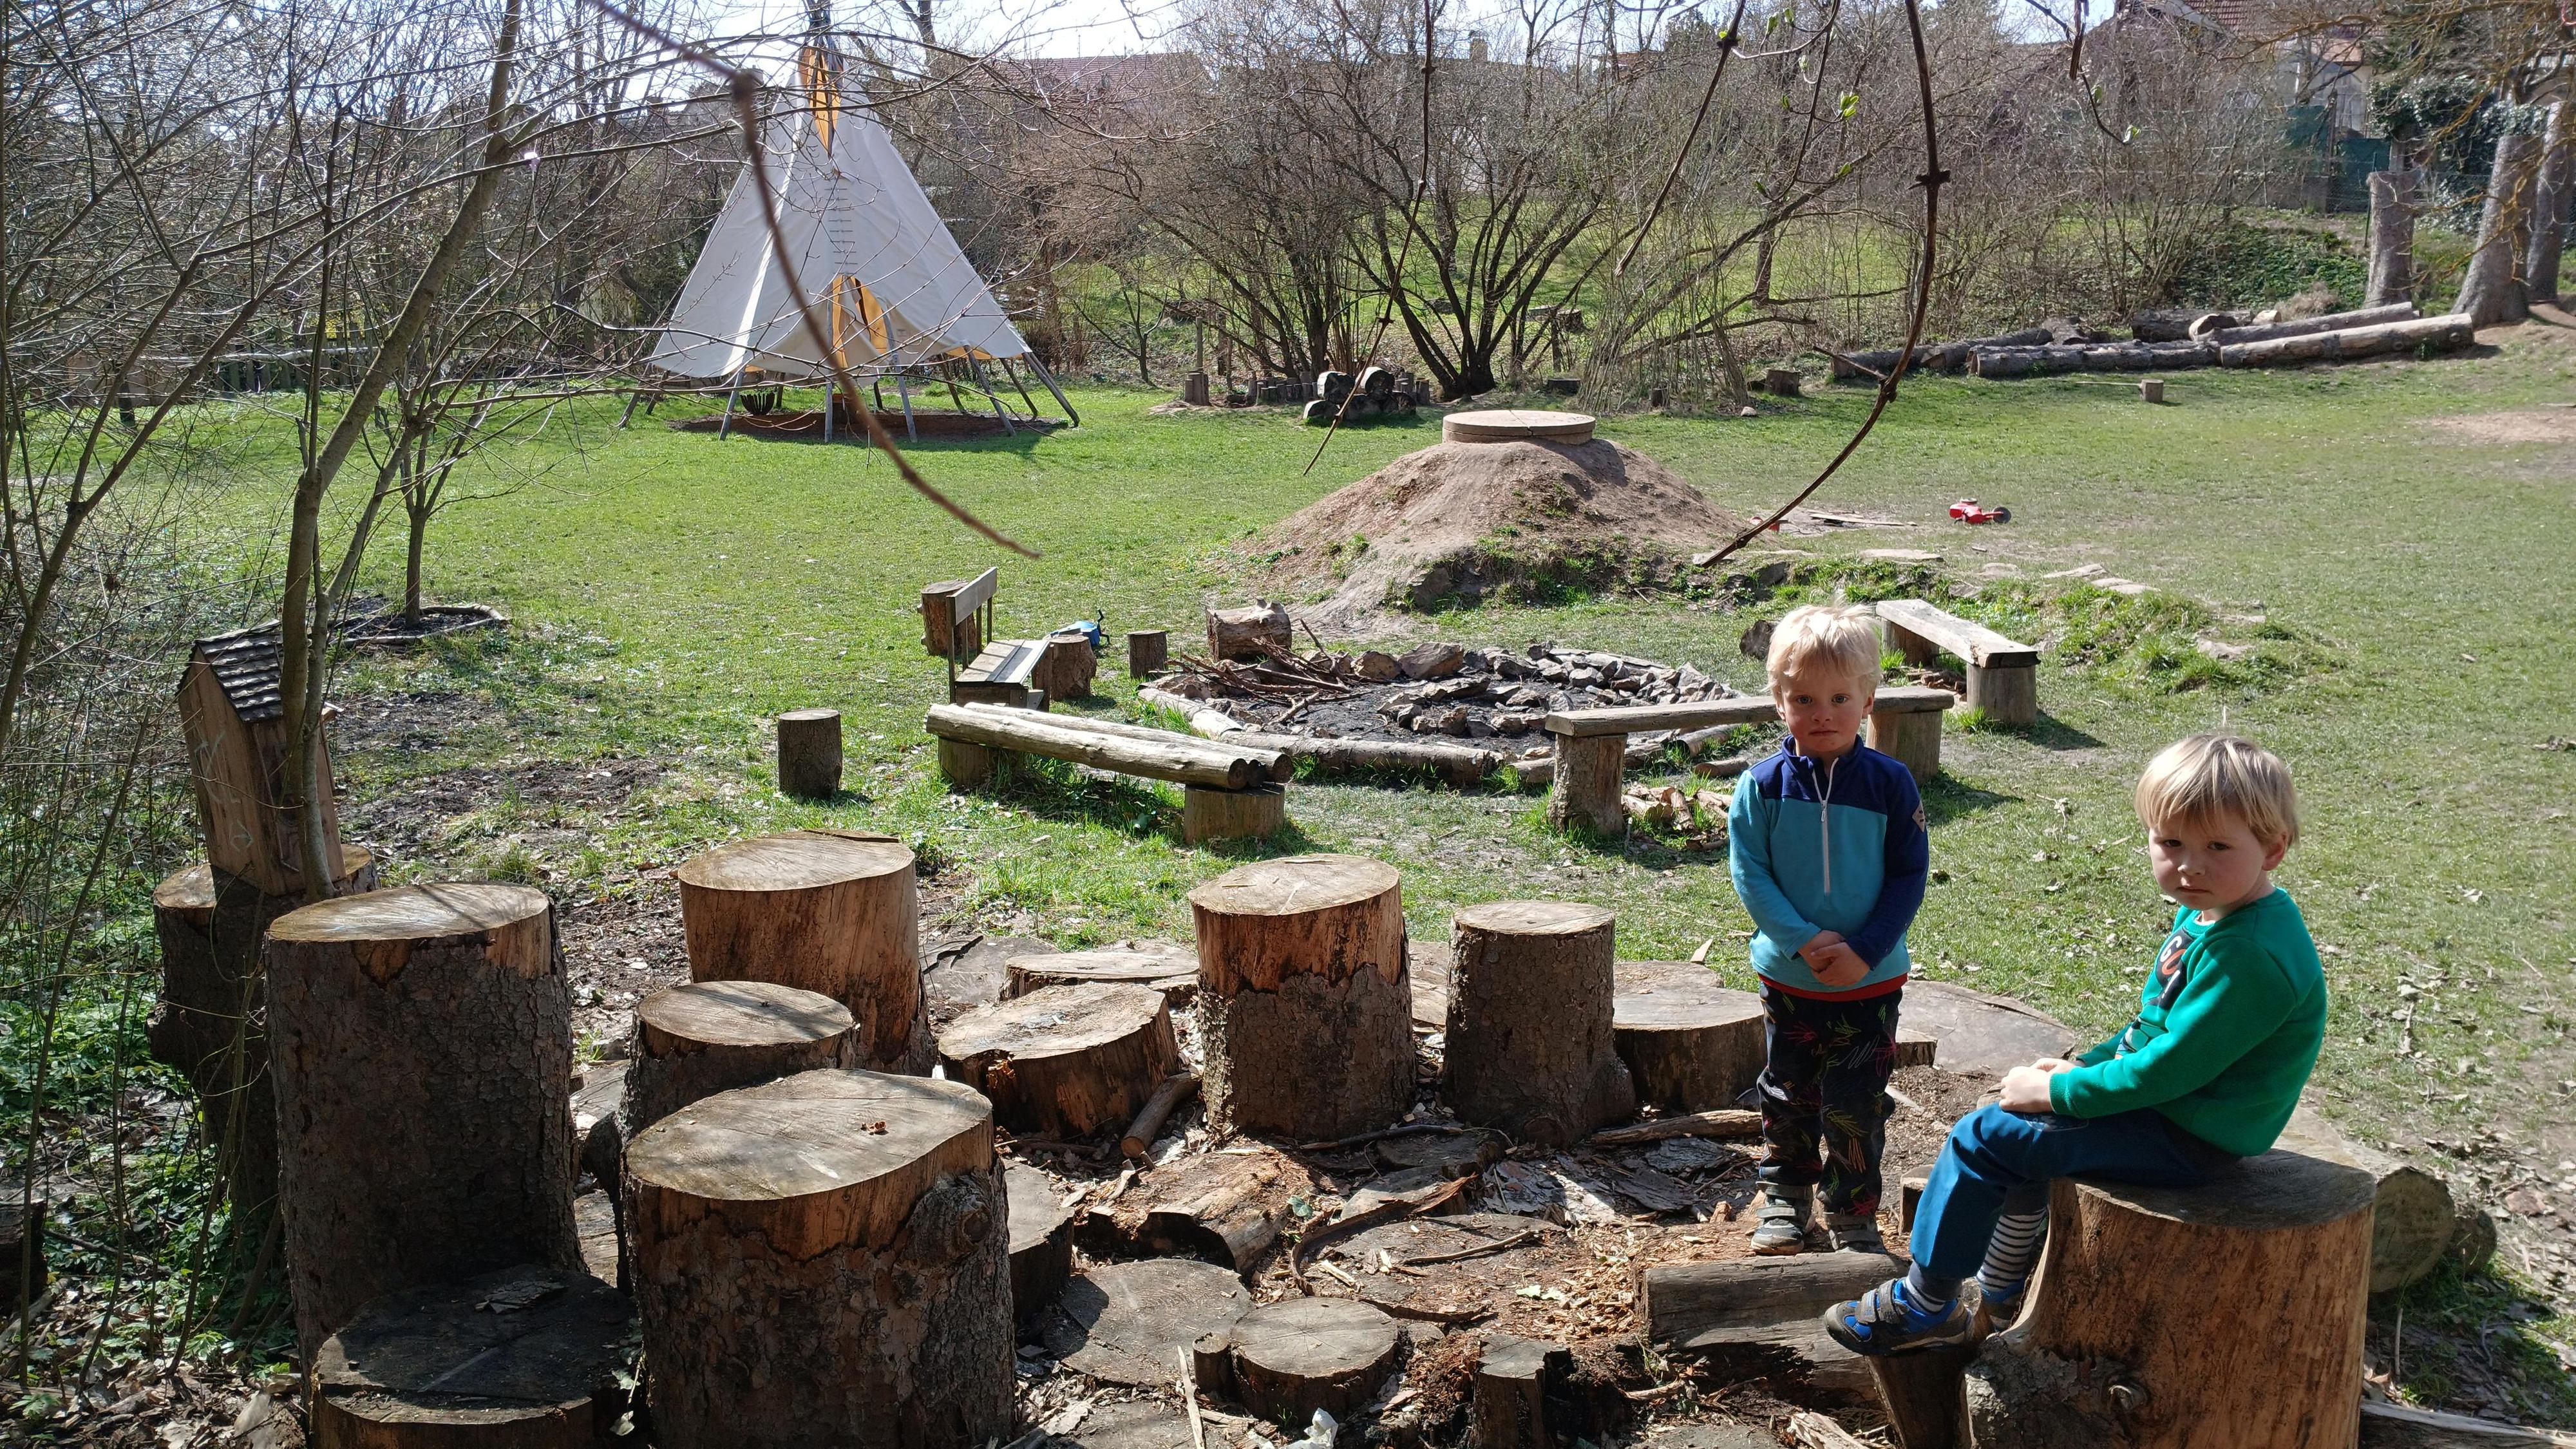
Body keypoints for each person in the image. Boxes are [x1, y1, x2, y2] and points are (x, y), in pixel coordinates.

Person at [1824, 732, 2327, 1354]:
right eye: (2170, 843)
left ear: (2273, 848)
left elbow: (2166, 1071)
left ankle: (1925, 1302)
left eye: (2217, 846)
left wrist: (2062, 1093)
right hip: (2175, 1108)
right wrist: (2084, 1064)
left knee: (1983, 1138)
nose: (2189, 865)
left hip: (2192, 1136)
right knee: (2019, 1137)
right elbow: (2155, 1025)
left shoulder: (2249, 954)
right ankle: (2003, 1289)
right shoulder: (2211, 911)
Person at [1729, 604, 1929, 1255]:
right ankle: (1785, 1202)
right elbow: (1751, 875)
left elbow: (1907, 876)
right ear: (1777, 701)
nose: (1822, 713)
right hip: (1790, 979)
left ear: (1868, 700)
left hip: (1870, 983)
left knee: (1857, 1101)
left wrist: (1864, 949)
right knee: (1787, 1094)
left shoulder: (1890, 785)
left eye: (1840, 698)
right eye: (1803, 698)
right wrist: (1804, 941)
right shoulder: (1760, 787)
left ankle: (1852, 1211)